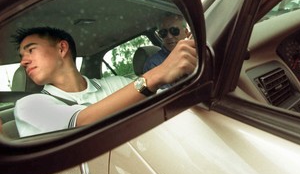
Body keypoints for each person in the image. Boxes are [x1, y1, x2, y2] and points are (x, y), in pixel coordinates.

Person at [12, 27, 196, 137]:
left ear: (61, 48)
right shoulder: (28, 106)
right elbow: (82, 123)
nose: (23, 61)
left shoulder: (114, 84)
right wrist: (157, 74)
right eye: (22, 56)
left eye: (30, 50)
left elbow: (167, 100)